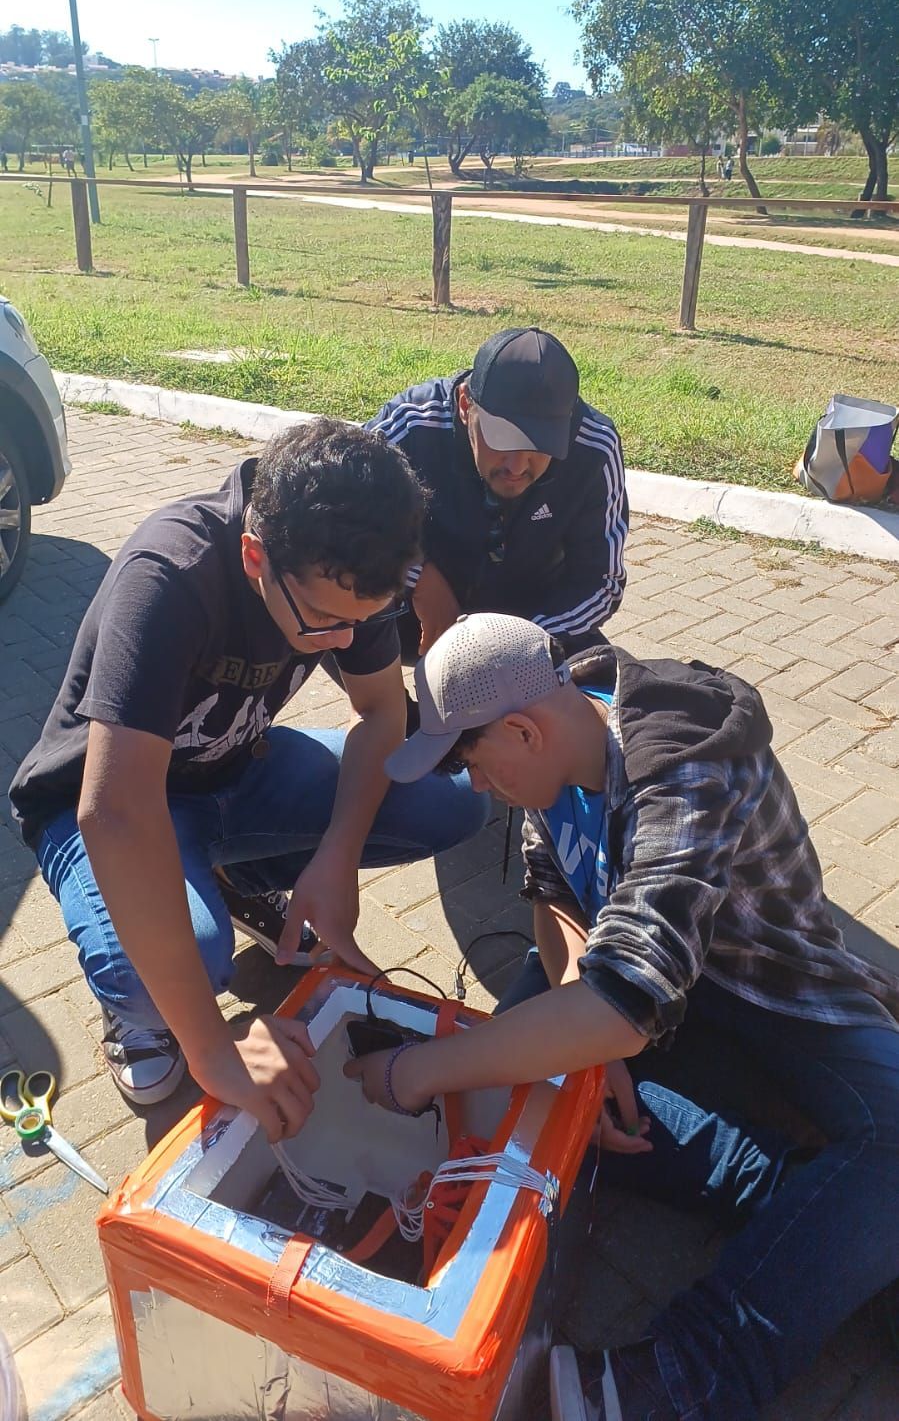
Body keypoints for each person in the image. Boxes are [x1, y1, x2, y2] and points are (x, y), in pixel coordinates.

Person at [345, 613, 899, 1421]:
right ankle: (824, 1217)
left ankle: (687, 1375)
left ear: (521, 729)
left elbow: (629, 997)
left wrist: (413, 1071)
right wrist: (582, 1036)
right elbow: (558, 896)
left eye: (472, 763)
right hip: (652, 991)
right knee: (536, 1086)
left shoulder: (685, 764)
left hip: (779, 993)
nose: (475, 787)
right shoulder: (556, 742)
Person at [9, 421, 489, 1136]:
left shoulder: (349, 564)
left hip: (234, 775)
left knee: (450, 801)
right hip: (112, 802)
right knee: (177, 971)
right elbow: (113, 813)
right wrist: (210, 1048)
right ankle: (140, 1005)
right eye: (323, 622)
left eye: (360, 622)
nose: (341, 640)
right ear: (255, 555)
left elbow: (383, 713)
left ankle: (228, 882)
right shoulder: (171, 572)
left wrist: (336, 859)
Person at [366, 328, 628, 662]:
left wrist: (521, 645)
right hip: (409, 616)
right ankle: (392, 710)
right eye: (501, 439)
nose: (517, 466)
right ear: (465, 405)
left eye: (539, 446)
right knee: (336, 602)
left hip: (532, 619)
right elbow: (336, 511)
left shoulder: (594, 446)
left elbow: (602, 583)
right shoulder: (412, 424)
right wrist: (415, 573)